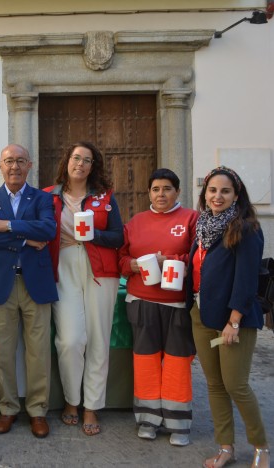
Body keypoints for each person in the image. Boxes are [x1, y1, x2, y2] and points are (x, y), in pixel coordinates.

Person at [185, 166, 269, 468]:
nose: (217, 196)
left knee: (236, 385)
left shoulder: (245, 228)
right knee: (215, 385)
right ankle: (226, 447)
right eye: (212, 190)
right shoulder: (203, 226)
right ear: (204, 193)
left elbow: (246, 280)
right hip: (202, 316)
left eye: (225, 191)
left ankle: (260, 447)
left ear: (236, 195)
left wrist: (233, 320)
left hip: (233, 321)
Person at [0, 144, 57, 438]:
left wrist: (6, 224)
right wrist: (24, 241)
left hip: (36, 282)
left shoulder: (43, 199)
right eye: (9, 161)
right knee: (3, 352)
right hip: (0, 285)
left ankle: (38, 411)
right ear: (0, 165)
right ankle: (7, 408)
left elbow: (48, 230)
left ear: (29, 165)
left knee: (38, 353)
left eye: (20, 161)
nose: (15, 166)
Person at [43, 141, 123, 436]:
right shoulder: (48, 196)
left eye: (87, 160)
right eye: (76, 157)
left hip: (101, 269)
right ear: (67, 160)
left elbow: (118, 236)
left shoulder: (105, 197)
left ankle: (91, 406)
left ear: (93, 166)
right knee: (71, 340)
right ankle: (71, 400)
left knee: (99, 339)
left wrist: (94, 234)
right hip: (63, 266)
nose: (80, 164)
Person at [117, 168, 198, 446]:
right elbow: (121, 257)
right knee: (145, 362)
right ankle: (148, 419)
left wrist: (172, 260)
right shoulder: (136, 222)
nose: (160, 194)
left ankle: (178, 423)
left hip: (177, 304)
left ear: (177, 191)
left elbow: (198, 254)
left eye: (166, 188)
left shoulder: (191, 219)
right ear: (148, 193)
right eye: (155, 189)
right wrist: (133, 265)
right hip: (141, 301)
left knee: (177, 363)